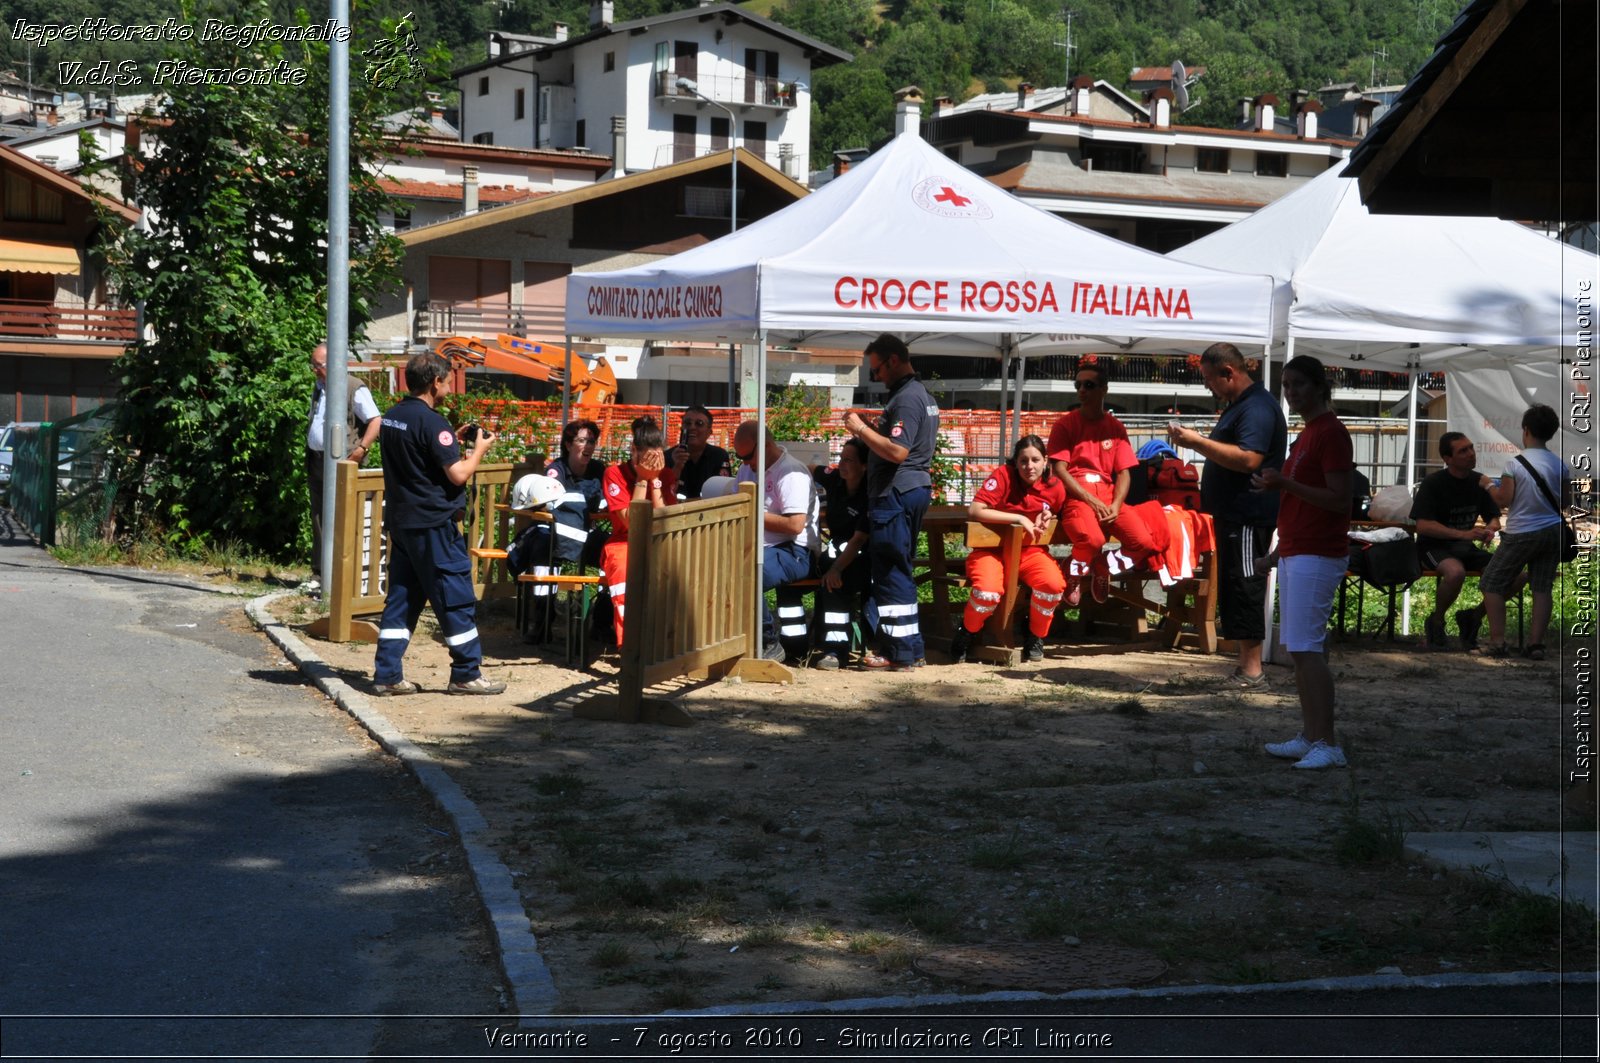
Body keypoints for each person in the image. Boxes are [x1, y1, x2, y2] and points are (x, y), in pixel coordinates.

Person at [370, 353, 506, 697]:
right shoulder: (433, 423)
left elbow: (420, 462)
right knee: (455, 596)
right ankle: (466, 673)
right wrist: (480, 449)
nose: (449, 386)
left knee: (401, 598)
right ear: (435, 382)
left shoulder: (393, 417)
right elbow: (458, 474)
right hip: (434, 525)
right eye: (447, 380)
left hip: (403, 524)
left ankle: (387, 675)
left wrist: (451, 441)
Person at [1168, 343, 1287, 690]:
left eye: (1208, 378)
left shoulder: (1257, 408)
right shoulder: (1242, 406)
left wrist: (1196, 442)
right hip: (1236, 513)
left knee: (1245, 583)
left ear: (1228, 373)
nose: (1207, 386)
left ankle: (1252, 672)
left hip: (1248, 513)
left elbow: (1249, 458)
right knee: (1237, 584)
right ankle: (1245, 669)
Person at [1254, 355, 1353, 770]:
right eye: (1286, 385)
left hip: (1318, 552)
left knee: (1307, 649)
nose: (1291, 393)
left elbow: (1339, 500)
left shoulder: (1330, 433)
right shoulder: (1310, 433)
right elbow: (1301, 500)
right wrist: (1277, 553)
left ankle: (1327, 742)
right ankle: (1311, 735)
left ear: (1319, 386)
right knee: (1298, 649)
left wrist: (1284, 482)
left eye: (1297, 385)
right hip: (1299, 550)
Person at [844, 334, 940, 671]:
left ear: (894, 360)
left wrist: (860, 430)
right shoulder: (920, 396)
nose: (877, 376)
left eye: (878, 369)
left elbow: (898, 452)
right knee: (901, 568)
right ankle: (911, 649)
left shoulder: (907, 399)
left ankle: (899, 653)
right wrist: (873, 429)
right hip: (911, 490)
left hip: (895, 494)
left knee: (890, 572)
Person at [1047, 362, 1161, 606]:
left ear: (1104, 390)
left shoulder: (1115, 427)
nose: (1082, 390)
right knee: (1093, 541)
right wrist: (1090, 500)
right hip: (1077, 495)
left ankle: (1102, 565)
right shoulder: (1064, 425)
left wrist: (1117, 505)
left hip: (1109, 495)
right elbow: (1059, 470)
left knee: (1143, 543)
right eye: (1078, 385)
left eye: (1089, 385)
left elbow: (1125, 472)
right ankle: (1073, 570)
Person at [952, 435, 1069, 664]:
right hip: (991, 551)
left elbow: (1060, 511)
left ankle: (1035, 635)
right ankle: (967, 631)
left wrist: (1049, 515)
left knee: (1053, 586)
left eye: (1035, 460)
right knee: (987, 592)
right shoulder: (1003, 476)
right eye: (1023, 460)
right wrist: (1018, 518)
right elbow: (976, 510)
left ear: (1046, 461)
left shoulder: (1055, 486)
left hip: (1029, 552)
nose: (1029, 466)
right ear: (1015, 462)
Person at [1472, 404, 1572, 661]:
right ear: (1551, 433)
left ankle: (1497, 642)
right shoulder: (1560, 465)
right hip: (1552, 532)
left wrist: (1487, 486)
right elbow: (1564, 503)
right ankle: (1535, 645)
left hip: (1522, 532)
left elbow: (1503, 499)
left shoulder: (1514, 464)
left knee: (1491, 582)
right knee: (1542, 587)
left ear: (1525, 430)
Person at [1409, 432, 1513, 651]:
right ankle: (1436, 621)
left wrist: (1491, 528)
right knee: (1456, 573)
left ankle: (1473, 617)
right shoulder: (1433, 483)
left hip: (1466, 547)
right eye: (1462, 451)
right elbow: (1423, 526)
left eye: (1471, 448)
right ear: (1447, 458)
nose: (1470, 454)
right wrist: (1463, 534)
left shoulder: (1479, 481)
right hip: (1433, 547)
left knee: (1515, 575)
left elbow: (1493, 516)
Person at [510, 418, 607, 640]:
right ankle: (542, 623)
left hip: (586, 533)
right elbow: (548, 504)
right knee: (543, 549)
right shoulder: (556, 470)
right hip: (553, 533)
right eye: (582, 440)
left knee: (612, 549)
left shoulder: (599, 469)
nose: (588, 446)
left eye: (591, 441)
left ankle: (602, 622)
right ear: (568, 444)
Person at [733, 420, 821, 662]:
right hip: (762, 548)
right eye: (739, 457)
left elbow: (795, 525)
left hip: (796, 551)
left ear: (766, 445)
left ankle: (767, 642)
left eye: (749, 456)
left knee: (748, 574)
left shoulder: (792, 472)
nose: (746, 463)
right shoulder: (749, 469)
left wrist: (754, 513)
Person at [306, 340, 382, 595]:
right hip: (317, 460)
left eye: (319, 365)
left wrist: (361, 451)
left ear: (335, 364)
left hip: (343, 463)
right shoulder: (319, 386)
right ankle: (320, 574)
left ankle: (345, 577)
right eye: (313, 365)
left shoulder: (353, 387)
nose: (315, 370)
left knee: (344, 517)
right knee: (319, 516)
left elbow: (375, 420)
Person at [599, 417, 677, 648]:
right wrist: (642, 478)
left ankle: (666, 640)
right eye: (647, 455)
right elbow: (632, 522)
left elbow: (665, 519)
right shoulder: (614, 474)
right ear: (634, 451)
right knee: (623, 569)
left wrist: (656, 481)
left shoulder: (667, 475)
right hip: (624, 542)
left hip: (659, 540)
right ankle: (630, 643)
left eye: (658, 454)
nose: (654, 461)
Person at [812, 438, 872, 670]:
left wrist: (836, 569)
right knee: (825, 576)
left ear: (864, 466)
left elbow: (858, 540)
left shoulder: (869, 492)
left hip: (864, 557)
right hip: (838, 552)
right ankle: (825, 645)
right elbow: (808, 468)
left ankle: (837, 651)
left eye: (849, 460)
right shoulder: (835, 478)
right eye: (841, 458)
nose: (842, 464)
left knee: (835, 581)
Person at [669, 405, 731, 500]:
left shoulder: (719, 456)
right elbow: (663, 492)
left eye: (699, 423)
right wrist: (677, 466)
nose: (692, 427)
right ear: (681, 428)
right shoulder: (669, 456)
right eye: (688, 423)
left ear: (709, 432)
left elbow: (722, 494)